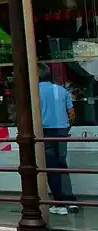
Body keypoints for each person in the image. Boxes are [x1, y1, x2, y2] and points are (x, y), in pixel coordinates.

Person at [38, 66, 79, 215]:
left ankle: (59, 202)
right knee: (62, 164)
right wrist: (66, 127)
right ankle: (71, 200)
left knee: (50, 166)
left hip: (45, 131)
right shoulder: (61, 90)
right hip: (62, 131)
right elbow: (72, 113)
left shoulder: (34, 91)